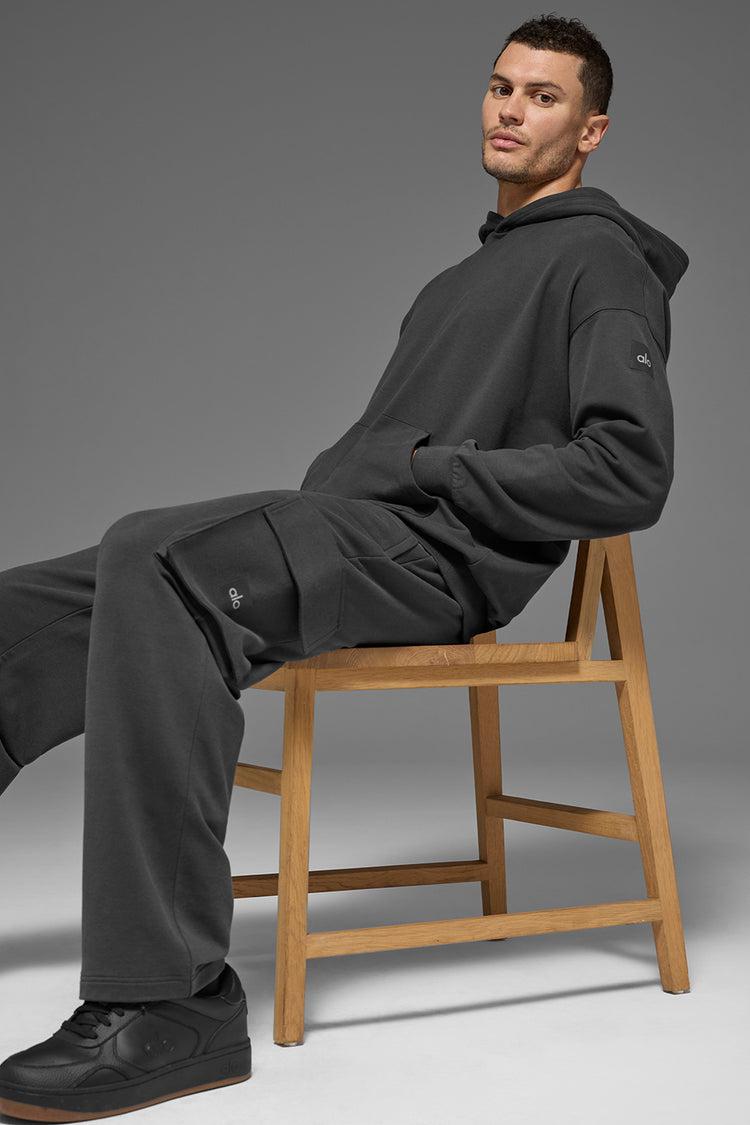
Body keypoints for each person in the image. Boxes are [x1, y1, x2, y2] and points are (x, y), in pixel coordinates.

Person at [0, 13, 689, 1121]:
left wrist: (427, 467)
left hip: (436, 565)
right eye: (501, 87)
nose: (512, 110)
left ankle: (171, 1001)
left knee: (155, 553)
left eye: (544, 96)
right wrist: (377, 474)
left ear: (591, 129)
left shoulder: (601, 263)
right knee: (28, 605)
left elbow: (630, 472)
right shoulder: (460, 279)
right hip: (356, 534)